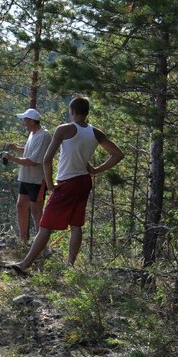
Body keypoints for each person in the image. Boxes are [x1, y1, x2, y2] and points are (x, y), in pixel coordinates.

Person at [11, 96, 124, 273]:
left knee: (45, 225)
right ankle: (69, 266)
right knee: (76, 224)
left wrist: (50, 184)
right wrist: (96, 170)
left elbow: (47, 159)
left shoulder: (64, 129)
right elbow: (118, 154)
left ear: (72, 111)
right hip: (84, 182)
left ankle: (24, 265)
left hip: (67, 182)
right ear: (87, 112)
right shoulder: (96, 133)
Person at [1, 108, 53, 242]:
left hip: (37, 180)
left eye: (25, 120)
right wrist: (16, 148)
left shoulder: (44, 136)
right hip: (26, 178)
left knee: (37, 212)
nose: (23, 122)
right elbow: (30, 152)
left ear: (32, 121)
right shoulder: (33, 133)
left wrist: (12, 158)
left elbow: (33, 161)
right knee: (21, 206)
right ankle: (23, 240)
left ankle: (41, 244)